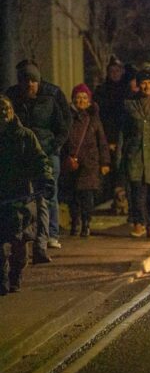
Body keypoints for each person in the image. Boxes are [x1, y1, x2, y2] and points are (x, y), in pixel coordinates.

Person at [6, 61, 70, 260]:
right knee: (26, 199)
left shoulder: (51, 95)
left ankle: (47, 237)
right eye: (26, 82)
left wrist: (54, 146)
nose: (30, 87)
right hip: (23, 155)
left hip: (47, 152)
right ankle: (31, 238)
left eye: (33, 82)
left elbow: (64, 124)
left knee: (46, 196)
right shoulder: (12, 97)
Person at [0, 95, 54, 295]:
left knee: (19, 244)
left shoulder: (25, 136)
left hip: (22, 197)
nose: (4, 114)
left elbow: (40, 161)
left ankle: (15, 276)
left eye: (6, 109)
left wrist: (46, 180)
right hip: (3, 199)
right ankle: (3, 279)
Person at [117, 70, 150, 238]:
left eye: (148, 82)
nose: (146, 86)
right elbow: (123, 132)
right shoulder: (129, 104)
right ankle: (139, 222)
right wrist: (120, 155)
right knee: (137, 192)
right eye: (142, 83)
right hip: (136, 154)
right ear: (138, 85)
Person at [63, 84, 110, 237]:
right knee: (73, 196)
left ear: (89, 100)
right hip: (72, 163)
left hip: (90, 163)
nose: (81, 100)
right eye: (78, 97)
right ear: (73, 99)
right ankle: (75, 222)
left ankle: (86, 223)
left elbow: (102, 141)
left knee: (87, 197)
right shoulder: (67, 118)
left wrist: (105, 162)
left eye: (84, 97)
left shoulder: (94, 119)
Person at [93, 57, 130, 216]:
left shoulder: (126, 91)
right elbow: (101, 116)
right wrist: (107, 139)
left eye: (117, 70)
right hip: (107, 137)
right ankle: (116, 200)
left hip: (124, 136)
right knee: (111, 172)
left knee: (123, 171)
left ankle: (122, 200)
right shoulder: (102, 91)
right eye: (112, 71)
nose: (115, 74)